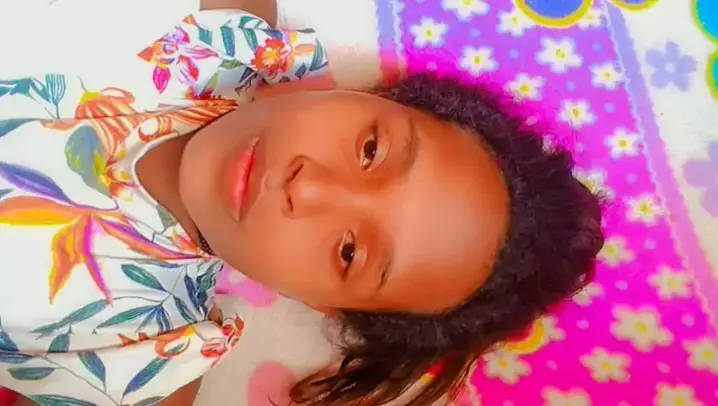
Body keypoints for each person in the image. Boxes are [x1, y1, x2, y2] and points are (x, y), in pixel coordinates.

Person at [0, 0, 604, 405]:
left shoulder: (143, 357)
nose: (308, 187)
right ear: (371, 95)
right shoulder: (224, 40)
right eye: (371, 149)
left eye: (350, 252)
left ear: (317, 301)